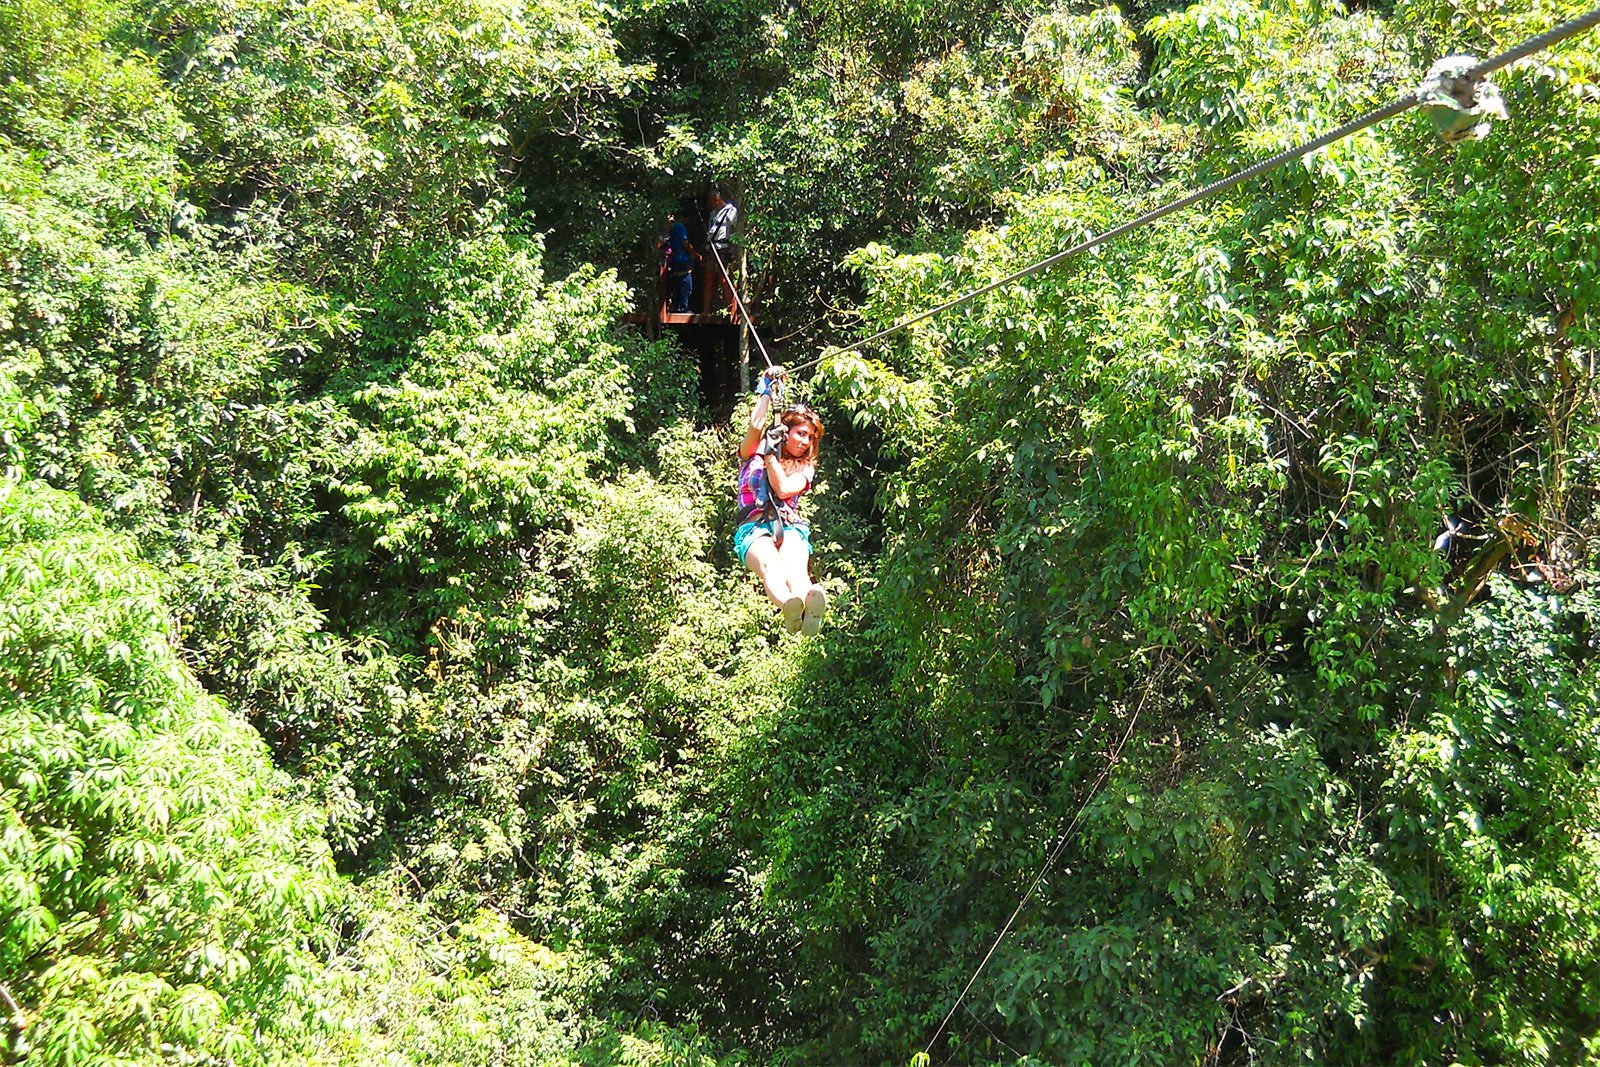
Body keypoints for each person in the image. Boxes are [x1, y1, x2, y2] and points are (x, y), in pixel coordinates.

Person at [735, 367, 827, 634]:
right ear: (785, 432)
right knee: (769, 566)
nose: (805, 442)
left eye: (810, 437)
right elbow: (755, 426)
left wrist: (771, 458)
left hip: (788, 524)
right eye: (800, 434)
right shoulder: (750, 454)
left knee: (796, 569)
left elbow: (784, 489)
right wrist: (765, 390)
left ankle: (810, 604)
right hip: (753, 526)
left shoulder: (804, 467)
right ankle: (790, 606)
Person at [702, 186, 739, 315]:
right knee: (708, 277)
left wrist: (734, 250)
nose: (709, 205)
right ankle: (706, 310)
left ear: (717, 199)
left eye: (711, 201)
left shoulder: (730, 211)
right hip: (711, 248)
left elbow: (735, 230)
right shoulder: (713, 213)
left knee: (724, 279)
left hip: (723, 249)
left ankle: (729, 310)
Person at [656, 212, 698, 313]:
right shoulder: (679, 226)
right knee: (685, 280)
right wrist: (695, 254)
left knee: (676, 281)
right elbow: (685, 243)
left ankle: (676, 306)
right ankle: (683, 307)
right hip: (681, 257)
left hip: (673, 258)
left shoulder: (667, 229)